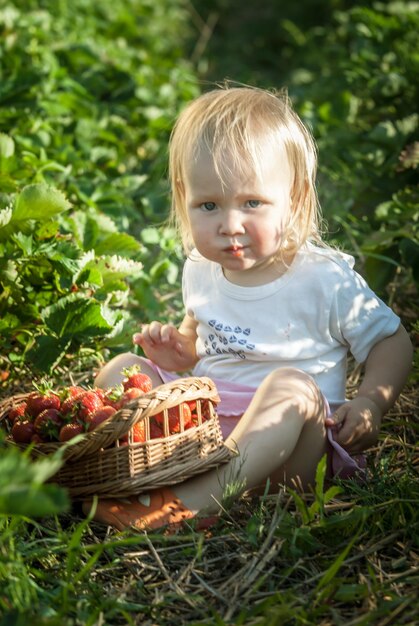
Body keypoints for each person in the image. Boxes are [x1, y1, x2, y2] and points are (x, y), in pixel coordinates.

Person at [83, 86, 413, 531]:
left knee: (292, 388)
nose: (230, 225)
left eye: (252, 203)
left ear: (293, 199)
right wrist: (181, 353)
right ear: (184, 198)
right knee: (123, 368)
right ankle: (142, 476)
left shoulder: (323, 278)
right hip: (206, 433)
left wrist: (373, 399)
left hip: (291, 451)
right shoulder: (201, 268)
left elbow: (392, 341)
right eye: (209, 205)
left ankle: (186, 506)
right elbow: (199, 340)